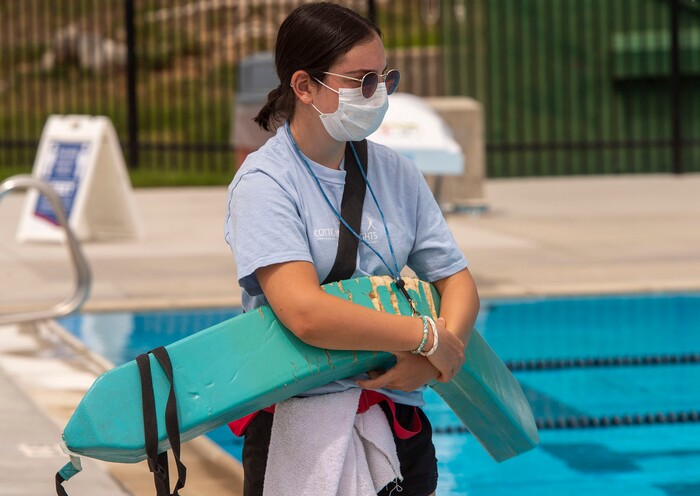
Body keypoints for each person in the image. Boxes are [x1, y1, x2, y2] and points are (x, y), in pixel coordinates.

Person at [224, 2, 480, 495]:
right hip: (299, 424)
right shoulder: (265, 183)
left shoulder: (396, 172)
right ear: (304, 87)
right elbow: (305, 312)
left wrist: (433, 361)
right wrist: (425, 336)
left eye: (384, 78)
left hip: (398, 418)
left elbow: (456, 278)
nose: (377, 93)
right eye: (361, 80)